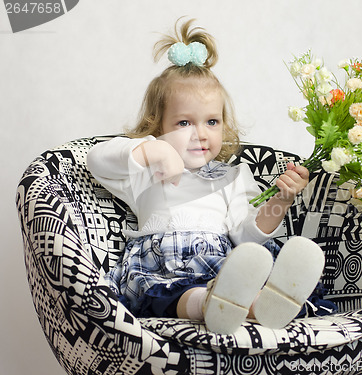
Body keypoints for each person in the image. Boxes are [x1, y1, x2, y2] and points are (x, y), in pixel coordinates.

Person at [87, 18, 334, 334]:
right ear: (157, 124)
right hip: (164, 265)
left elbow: (246, 235)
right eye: (184, 123)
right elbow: (96, 159)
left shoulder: (233, 176)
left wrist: (281, 201)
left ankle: (262, 305)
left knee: (250, 266)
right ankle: (210, 305)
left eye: (212, 122)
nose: (200, 134)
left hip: (223, 263)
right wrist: (154, 151)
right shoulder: (145, 172)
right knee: (170, 293)